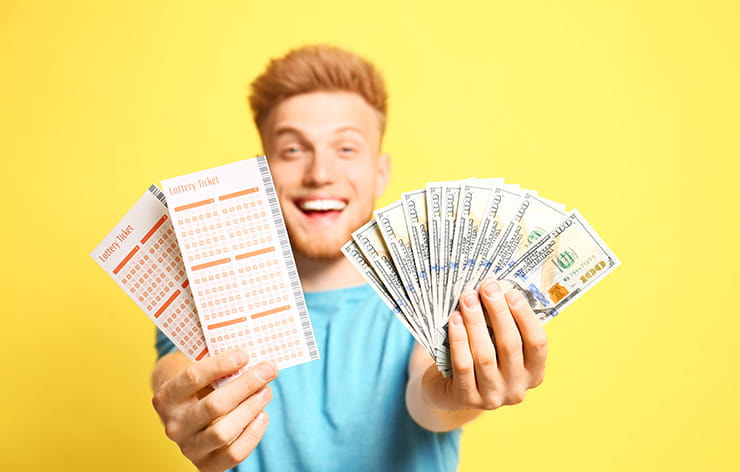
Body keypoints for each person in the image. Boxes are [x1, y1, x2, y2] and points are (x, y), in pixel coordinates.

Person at [151, 45, 548, 472]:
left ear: (380, 172)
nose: (320, 173)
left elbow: (428, 398)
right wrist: (187, 403)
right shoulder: (209, 283)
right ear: (260, 171)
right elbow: (176, 369)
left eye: (346, 149)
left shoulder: (433, 286)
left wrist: (459, 391)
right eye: (292, 150)